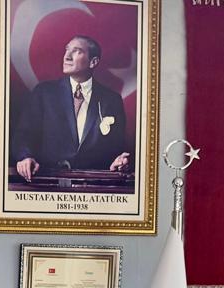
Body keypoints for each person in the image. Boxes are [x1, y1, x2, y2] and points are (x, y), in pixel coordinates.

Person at [10, 35, 133, 182]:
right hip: (47, 182)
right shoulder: (44, 93)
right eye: (67, 50)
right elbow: (24, 135)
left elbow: (116, 148)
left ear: (93, 62)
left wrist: (118, 161)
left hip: (93, 185)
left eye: (77, 51)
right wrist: (25, 157)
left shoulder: (112, 100)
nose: (67, 56)